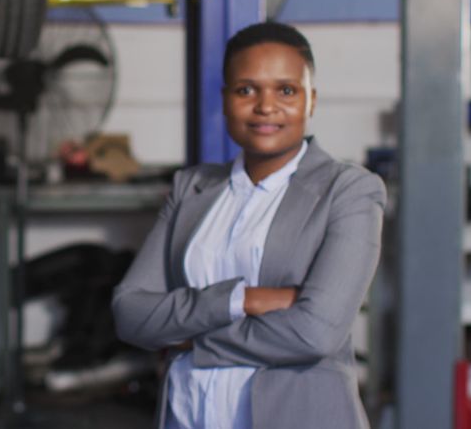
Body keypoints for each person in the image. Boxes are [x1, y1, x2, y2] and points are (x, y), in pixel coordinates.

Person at [112, 22, 386, 429]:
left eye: (286, 90)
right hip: (188, 415)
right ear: (225, 100)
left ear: (311, 100)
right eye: (246, 90)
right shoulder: (193, 187)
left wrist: (188, 339)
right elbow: (130, 313)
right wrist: (241, 300)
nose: (266, 106)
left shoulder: (347, 191)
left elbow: (316, 334)